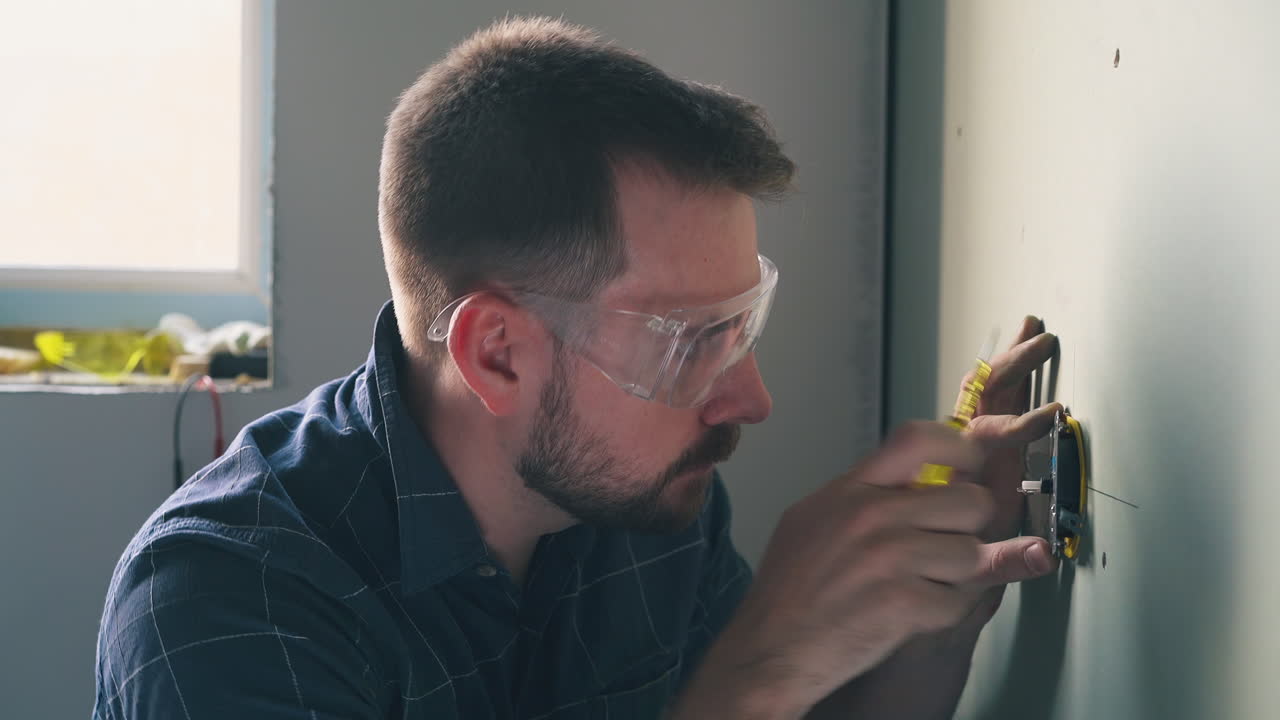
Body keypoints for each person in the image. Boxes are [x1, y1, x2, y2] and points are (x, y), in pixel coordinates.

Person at [93, 16, 1060, 719]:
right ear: (497, 354)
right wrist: (756, 674)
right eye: (689, 342)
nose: (750, 400)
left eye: (743, 328)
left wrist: (935, 604)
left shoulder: (645, 503)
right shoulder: (225, 609)